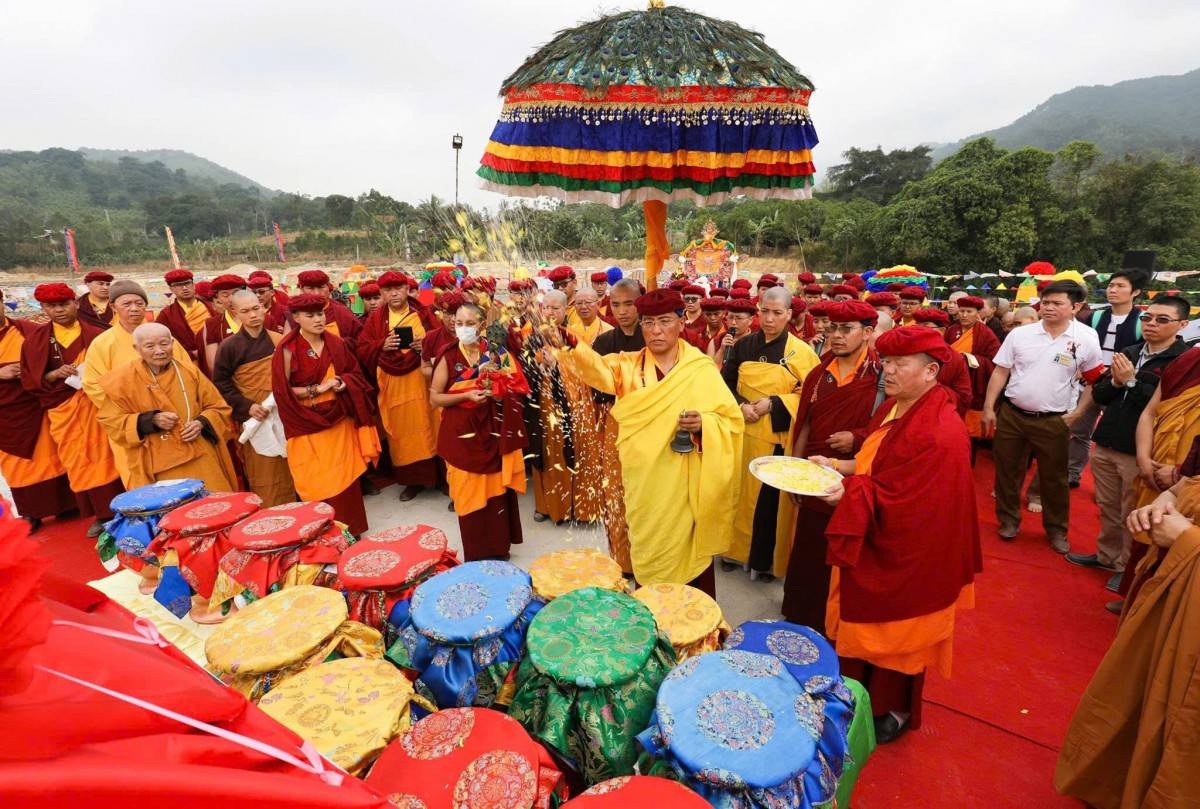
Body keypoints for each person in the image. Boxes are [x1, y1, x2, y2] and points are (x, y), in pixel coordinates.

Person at [812, 326, 980, 744]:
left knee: (896, 633)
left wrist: (848, 495)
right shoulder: (901, 406)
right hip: (879, 532)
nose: (887, 371)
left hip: (910, 551)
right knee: (867, 629)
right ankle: (857, 695)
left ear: (931, 371)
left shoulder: (938, 430)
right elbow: (879, 463)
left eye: (899, 364)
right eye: (885, 362)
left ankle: (892, 709)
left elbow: (907, 502)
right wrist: (839, 467)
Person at [552, 289, 744, 598]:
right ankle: (653, 616)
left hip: (686, 484)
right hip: (645, 482)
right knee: (649, 548)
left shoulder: (700, 368)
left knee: (689, 558)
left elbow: (731, 422)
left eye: (665, 321)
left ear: (681, 323)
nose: (655, 331)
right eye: (649, 323)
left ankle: (694, 626)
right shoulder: (628, 365)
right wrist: (570, 343)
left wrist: (704, 424)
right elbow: (598, 370)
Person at [1054, 478, 1200, 806]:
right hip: (1173, 607)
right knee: (1145, 697)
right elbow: (1183, 488)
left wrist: (1186, 537)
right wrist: (1161, 505)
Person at [1065, 296, 1189, 606]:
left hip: (1141, 451)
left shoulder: (1183, 362)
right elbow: (1103, 394)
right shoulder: (1130, 352)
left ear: (1182, 325)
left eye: (1163, 320)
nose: (1152, 324)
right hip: (1107, 441)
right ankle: (1106, 555)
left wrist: (1131, 381)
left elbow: (1161, 408)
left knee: (1132, 512)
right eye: (1148, 318)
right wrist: (1119, 382)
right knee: (1107, 505)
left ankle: (1126, 568)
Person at [983, 280, 1104, 554]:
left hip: (1054, 420)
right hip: (1012, 415)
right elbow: (1001, 371)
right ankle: (1008, 521)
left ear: (1076, 306)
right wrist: (990, 407)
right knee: (1006, 473)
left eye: (1056, 303)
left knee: (1055, 478)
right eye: (1045, 302)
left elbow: (1094, 380)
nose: (1048, 308)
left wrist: (1078, 414)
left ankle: (1056, 530)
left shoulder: (1086, 338)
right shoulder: (1020, 334)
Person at [782, 300, 883, 629]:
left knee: (844, 547)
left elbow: (888, 429)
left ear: (867, 333)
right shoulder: (818, 373)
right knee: (809, 547)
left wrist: (857, 438)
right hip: (814, 469)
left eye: (845, 329)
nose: (836, 336)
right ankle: (799, 615)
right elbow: (805, 424)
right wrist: (794, 471)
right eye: (832, 328)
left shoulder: (880, 378)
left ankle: (834, 620)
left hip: (852, 478)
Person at [720, 287, 820, 581]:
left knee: (767, 502)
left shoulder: (801, 353)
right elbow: (724, 383)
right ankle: (731, 552)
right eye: (765, 311)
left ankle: (762, 561)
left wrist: (774, 403)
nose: (770, 319)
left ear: (790, 314)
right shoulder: (743, 345)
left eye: (778, 313)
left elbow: (810, 395)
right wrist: (740, 407)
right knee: (735, 494)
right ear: (758, 311)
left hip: (775, 437)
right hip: (742, 432)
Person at [19, 283, 124, 537]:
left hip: (99, 405)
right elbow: (29, 380)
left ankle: (121, 508)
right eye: (51, 306)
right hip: (64, 409)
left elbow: (121, 368)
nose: (59, 310)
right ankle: (100, 514)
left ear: (76, 303)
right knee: (78, 457)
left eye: (64, 304)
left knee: (110, 455)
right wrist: (53, 374)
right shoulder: (36, 341)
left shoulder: (100, 332)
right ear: (43, 308)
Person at [271, 294, 380, 536]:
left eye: (320, 314)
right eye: (310, 316)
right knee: (315, 478)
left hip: (339, 420)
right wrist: (317, 389)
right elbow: (283, 391)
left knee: (345, 477)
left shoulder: (336, 343)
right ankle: (322, 531)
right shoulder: (287, 349)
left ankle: (351, 528)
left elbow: (355, 375)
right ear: (296, 318)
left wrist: (343, 382)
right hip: (307, 421)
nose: (318, 320)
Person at [429, 301, 530, 560]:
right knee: (468, 497)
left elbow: (518, 387)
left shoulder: (496, 352)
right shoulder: (449, 354)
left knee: (496, 494)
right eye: (459, 323)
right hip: (462, 437)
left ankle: (499, 549)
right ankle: (476, 553)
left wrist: (499, 395)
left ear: (482, 325)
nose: (463, 328)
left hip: (493, 433)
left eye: (470, 324)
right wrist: (466, 397)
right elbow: (436, 398)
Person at [96, 323, 238, 492]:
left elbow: (219, 407)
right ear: (137, 348)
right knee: (174, 511)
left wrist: (201, 422)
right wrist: (150, 420)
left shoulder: (189, 372)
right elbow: (111, 421)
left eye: (164, 343)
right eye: (150, 346)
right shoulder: (121, 380)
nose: (159, 351)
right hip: (158, 461)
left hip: (199, 452)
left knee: (215, 504)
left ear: (172, 343)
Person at [80, 281, 194, 486]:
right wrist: (139, 413)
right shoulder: (103, 343)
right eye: (127, 304)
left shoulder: (162, 336)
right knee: (141, 480)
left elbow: (188, 373)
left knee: (183, 477)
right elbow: (94, 385)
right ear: (113, 307)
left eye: (139, 303)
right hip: (133, 425)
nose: (134, 308)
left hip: (173, 417)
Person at [357, 271, 441, 502]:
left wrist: (423, 345)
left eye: (398, 288)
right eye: (387, 290)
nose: (393, 293)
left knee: (432, 424)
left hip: (422, 380)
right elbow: (362, 349)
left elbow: (443, 342)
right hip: (394, 383)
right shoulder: (375, 320)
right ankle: (412, 481)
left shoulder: (423, 313)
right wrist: (381, 345)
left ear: (407, 289)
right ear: (382, 293)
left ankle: (440, 477)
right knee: (402, 430)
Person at [211, 290, 297, 507]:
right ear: (235, 313)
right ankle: (271, 513)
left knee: (292, 463)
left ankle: (297, 510)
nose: (253, 315)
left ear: (263, 307)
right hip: (255, 416)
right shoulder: (229, 347)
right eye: (245, 311)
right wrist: (247, 407)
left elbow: (292, 376)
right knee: (265, 469)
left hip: (283, 412)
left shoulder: (279, 340)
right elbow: (221, 384)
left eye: (256, 308)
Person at [0, 289, 76, 532]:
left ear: (2, 302)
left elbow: (51, 359)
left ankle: (68, 503)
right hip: (5, 413)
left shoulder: (27, 330)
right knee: (18, 463)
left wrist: (31, 371)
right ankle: (31, 512)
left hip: (35, 402)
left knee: (53, 453)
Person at [527, 290, 604, 524]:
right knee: (547, 454)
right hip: (544, 405)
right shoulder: (533, 337)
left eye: (555, 308)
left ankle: (579, 509)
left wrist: (560, 362)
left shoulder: (574, 336)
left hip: (574, 405)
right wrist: (540, 364)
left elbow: (588, 368)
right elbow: (525, 368)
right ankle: (547, 506)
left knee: (576, 452)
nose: (550, 313)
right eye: (546, 308)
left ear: (565, 310)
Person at [1069, 268, 1150, 487]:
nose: (1113, 290)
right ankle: (1073, 472)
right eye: (1111, 285)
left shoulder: (1143, 320)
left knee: (1114, 436)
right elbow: (1078, 345)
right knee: (1078, 429)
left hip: (1121, 387)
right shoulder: (1095, 316)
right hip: (1090, 383)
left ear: (1136, 292)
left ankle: (1109, 486)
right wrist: (1079, 368)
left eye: (1120, 286)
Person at [590, 278, 645, 573]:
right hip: (615, 424)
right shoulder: (604, 342)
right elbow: (595, 387)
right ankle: (621, 561)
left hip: (649, 425)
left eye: (629, 303)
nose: (622, 311)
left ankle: (647, 559)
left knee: (645, 492)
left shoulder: (653, 338)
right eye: (616, 304)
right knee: (616, 492)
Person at [944, 295, 1002, 440]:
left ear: (977, 313)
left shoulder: (986, 333)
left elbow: (994, 362)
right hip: (950, 381)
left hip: (972, 382)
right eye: (961, 311)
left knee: (967, 431)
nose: (964, 315)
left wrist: (971, 359)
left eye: (969, 312)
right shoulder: (952, 330)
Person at [910, 307, 973, 417]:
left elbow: (964, 397)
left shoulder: (955, 359)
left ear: (942, 331)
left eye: (925, 327)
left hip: (938, 414)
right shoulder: (908, 352)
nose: (919, 332)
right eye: (917, 327)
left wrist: (930, 392)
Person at [155, 268, 214, 365]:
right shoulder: (166, 315)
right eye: (178, 285)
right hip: (189, 362)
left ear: (193, 285)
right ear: (171, 289)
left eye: (187, 283)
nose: (184, 288)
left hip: (216, 357)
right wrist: (191, 353)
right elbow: (160, 341)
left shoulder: (211, 307)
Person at [296, 269, 364, 349]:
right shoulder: (295, 313)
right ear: (301, 289)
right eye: (310, 288)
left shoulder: (342, 312)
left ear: (329, 287)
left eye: (321, 287)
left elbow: (361, 341)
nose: (317, 293)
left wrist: (336, 342)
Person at [201, 274, 249, 373]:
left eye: (236, 293)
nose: (231, 299)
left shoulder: (264, 319)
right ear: (218, 298)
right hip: (229, 380)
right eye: (225, 295)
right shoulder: (212, 324)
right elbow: (214, 364)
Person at [710, 298, 756, 369]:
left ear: (750, 320)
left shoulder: (756, 341)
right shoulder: (717, 340)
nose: (733, 323)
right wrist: (721, 350)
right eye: (730, 318)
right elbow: (709, 370)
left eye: (739, 318)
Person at [547, 265, 583, 330]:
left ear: (574, 283)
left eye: (564, 284)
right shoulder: (553, 306)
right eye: (556, 285)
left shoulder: (584, 304)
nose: (560, 288)